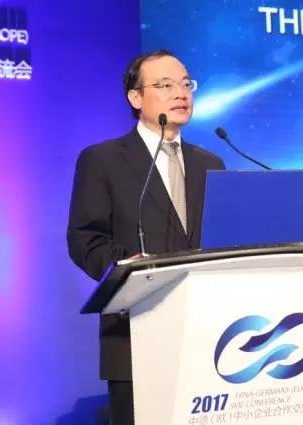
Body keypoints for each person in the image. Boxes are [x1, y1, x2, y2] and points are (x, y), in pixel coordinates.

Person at [67, 50, 225, 425]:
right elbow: (85, 238)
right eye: (165, 85)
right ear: (135, 98)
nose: (181, 93)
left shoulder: (211, 163)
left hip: (209, 338)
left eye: (186, 84)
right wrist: (129, 269)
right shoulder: (102, 159)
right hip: (137, 333)